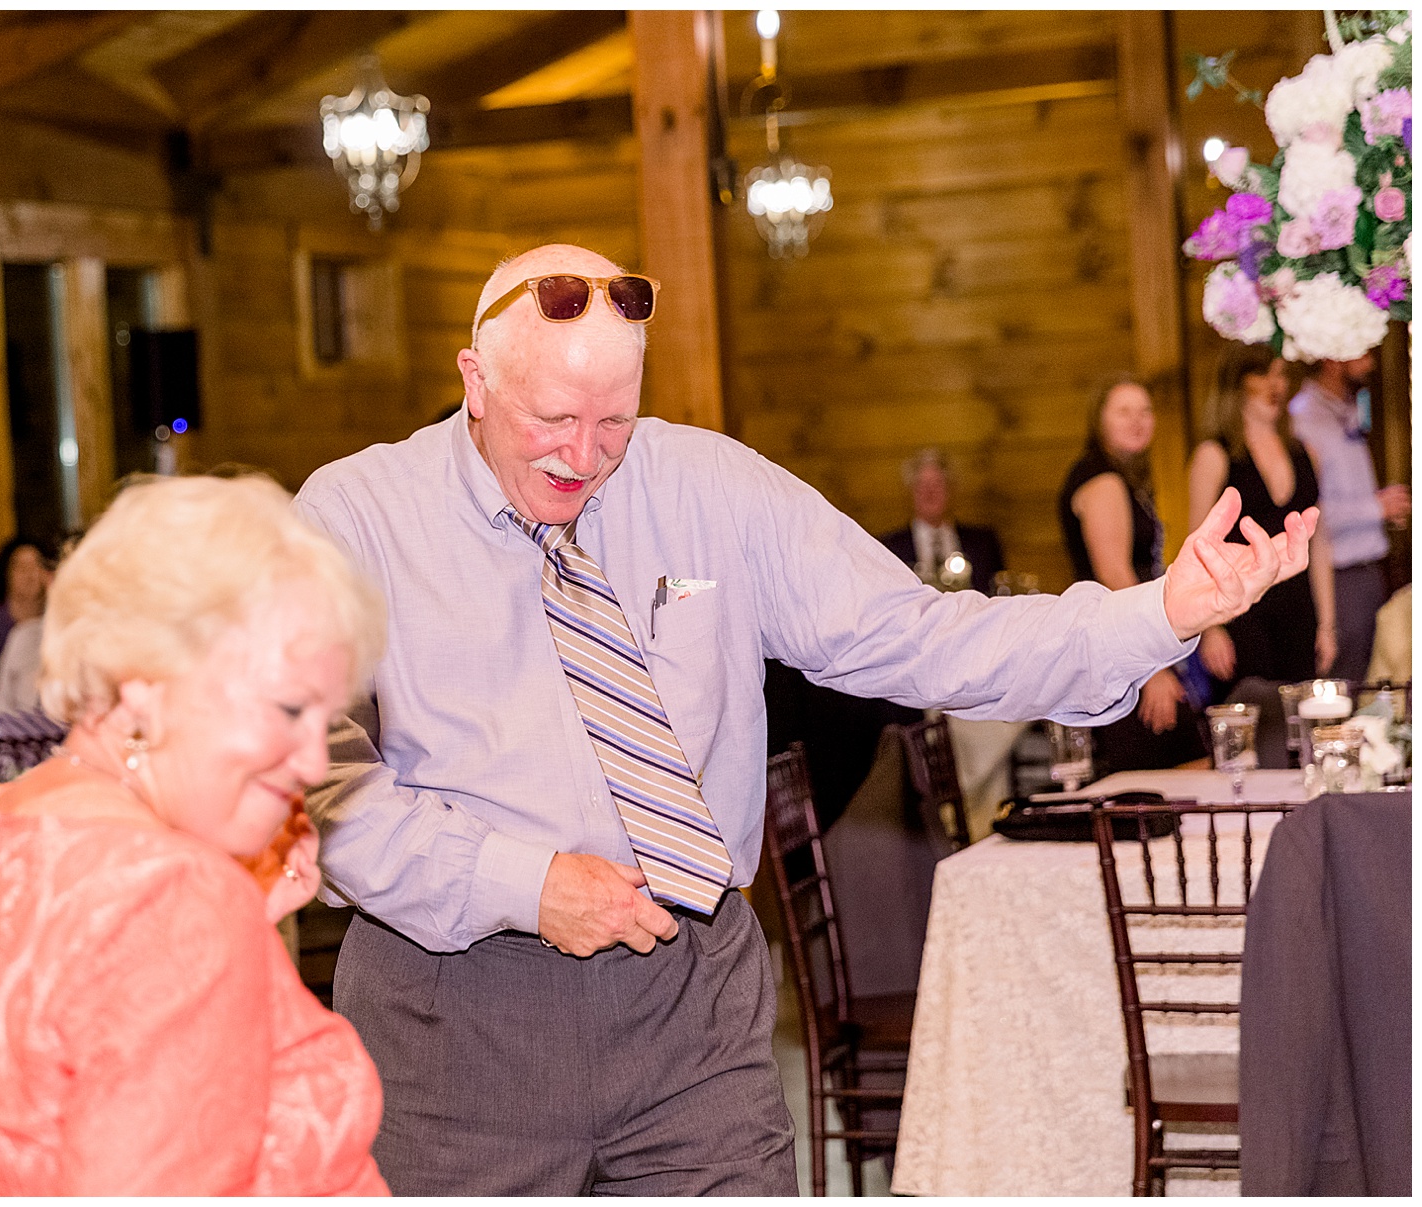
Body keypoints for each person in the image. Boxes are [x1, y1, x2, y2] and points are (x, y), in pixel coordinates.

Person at [293, 243, 1318, 1195]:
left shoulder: (710, 488)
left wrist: (1159, 613)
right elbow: (319, 786)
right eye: (552, 420)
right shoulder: (354, 518)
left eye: (615, 423)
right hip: (454, 1022)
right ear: (475, 380)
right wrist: (524, 883)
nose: (585, 455)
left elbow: (918, 635)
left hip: (692, 1004)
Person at [0, 475, 389, 1196]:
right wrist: (217, 915)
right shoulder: (174, 900)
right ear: (145, 687)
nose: (315, 761)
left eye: (326, 715)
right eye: (288, 709)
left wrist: (242, 919)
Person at [1058, 374, 1209, 772]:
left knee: (1180, 771)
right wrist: (1152, 669)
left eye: (1145, 411)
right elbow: (1114, 574)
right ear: (1099, 421)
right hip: (1123, 655)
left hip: (1125, 649)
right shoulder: (1102, 479)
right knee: (1179, 772)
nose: (1137, 421)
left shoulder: (1119, 478)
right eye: (1123, 412)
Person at [1188, 346, 1336, 691]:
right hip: (1240, 612)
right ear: (1237, 383)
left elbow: (1319, 543)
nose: (1275, 384)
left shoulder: (1305, 452)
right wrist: (1210, 629)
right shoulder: (1214, 454)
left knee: (1301, 713)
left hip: (1299, 609)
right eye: (1263, 374)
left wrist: (1327, 624)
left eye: (1281, 374)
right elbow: (1198, 546)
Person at [1288, 354, 1410, 682]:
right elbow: (1308, 513)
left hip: (1369, 569)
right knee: (1346, 683)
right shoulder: (1305, 417)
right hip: (1338, 576)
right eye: (1361, 354)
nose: (1370, 363)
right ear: (1333, 359)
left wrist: (1381, 510)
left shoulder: (1345, 408)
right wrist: (1375, 508)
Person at [878, 447, 1005, 593]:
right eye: (921, 485)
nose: (929, 492)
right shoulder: (890, 548)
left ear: (952, 489)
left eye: (937, 484)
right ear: (910, 491)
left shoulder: (983, 544)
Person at [0, 536, 54, 668]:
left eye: (36, 565)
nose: (30, 574)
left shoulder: (54, 617)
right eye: (22, 567)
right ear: (5, 573)